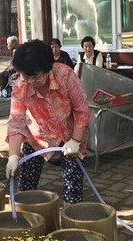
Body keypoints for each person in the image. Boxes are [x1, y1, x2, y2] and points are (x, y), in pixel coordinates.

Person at [5, 40, 91, 204]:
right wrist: (13, 156)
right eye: (26, 76)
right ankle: (28, 217)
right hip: (37, 137)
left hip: (70, 136)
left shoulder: (65, 75)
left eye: (36, 76)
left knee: (73, 183)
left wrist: (76, 140)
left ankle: (71, 217)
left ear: (48, 68)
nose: (30, 81)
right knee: (26, 184)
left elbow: (81, 109)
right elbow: (16, 120)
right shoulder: (21, 85)